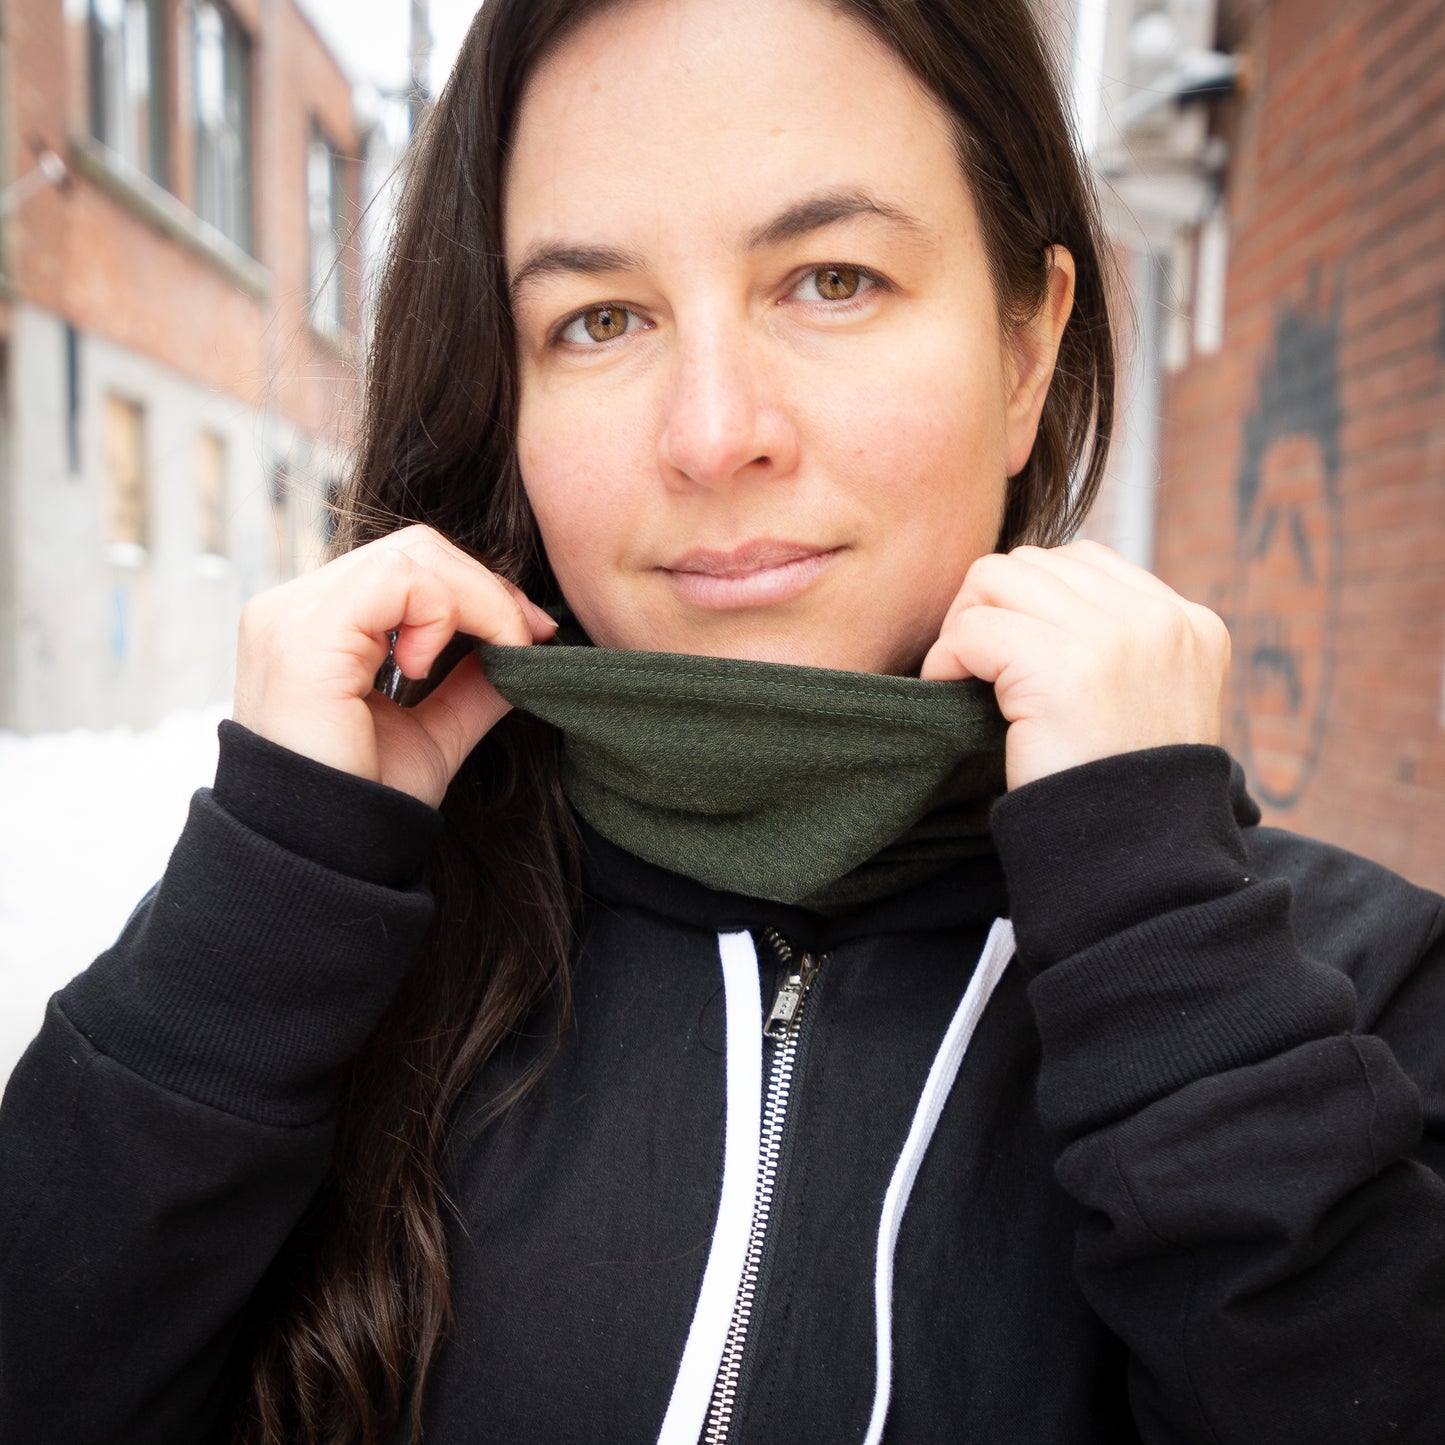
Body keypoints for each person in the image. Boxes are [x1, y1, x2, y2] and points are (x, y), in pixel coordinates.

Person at [2, 0, 1442, 1441]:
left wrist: (1171, 957)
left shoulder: (1358, 997)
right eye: (599, 319)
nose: (710, 434)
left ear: (1026, 350)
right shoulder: (330, 942)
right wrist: (265, 902)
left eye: (832, 280)